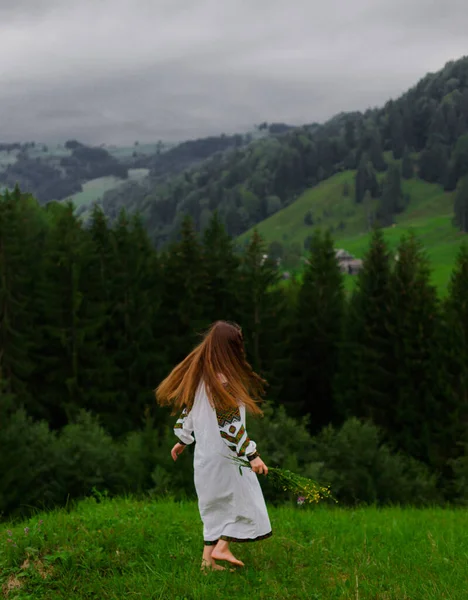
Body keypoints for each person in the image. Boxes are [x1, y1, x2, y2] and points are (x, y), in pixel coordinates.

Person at [155, 321, 271, 570]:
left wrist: (182, 440)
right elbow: (230, 426)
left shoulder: (200, 378)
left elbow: (189, 412)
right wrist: (253, 455)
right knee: (245, 502)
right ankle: (222, 548)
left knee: (215, 508)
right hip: (226, 459)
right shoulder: (223, 382)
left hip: (205, 459)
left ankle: (207, 564)